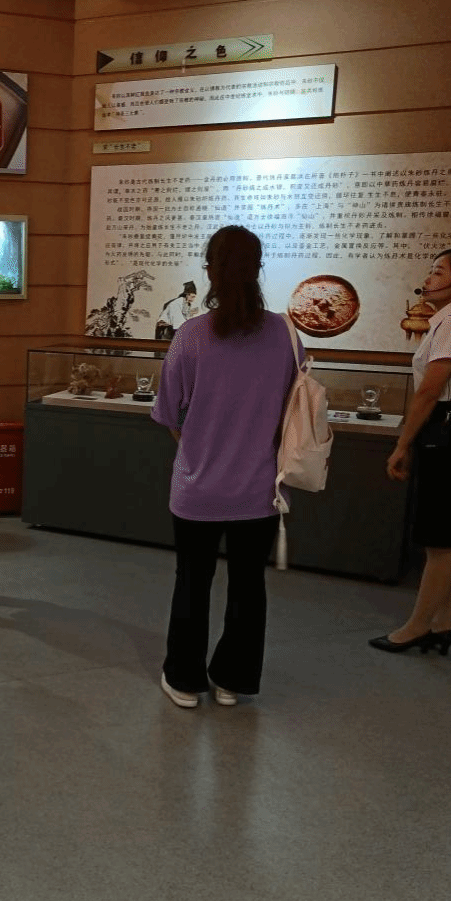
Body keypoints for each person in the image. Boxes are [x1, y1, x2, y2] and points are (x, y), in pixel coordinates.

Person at [151, 226, 298, 709]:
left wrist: (198, 444)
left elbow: (168, 413)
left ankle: (184, 679)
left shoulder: (191, 336)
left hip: (197, 488)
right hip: (260, 489)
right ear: (258, 269)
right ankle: (233, 680)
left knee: (192, 582)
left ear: (210, 271)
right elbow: (291, 409)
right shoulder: (285, 334)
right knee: (248, 587)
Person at [374, 249, 451, 655]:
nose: (428, 278)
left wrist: (402, 443)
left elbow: (429, 390)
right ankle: (442, 624)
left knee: (442, 540)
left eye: (439, 271)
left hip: (447, 427)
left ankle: (418, 627)